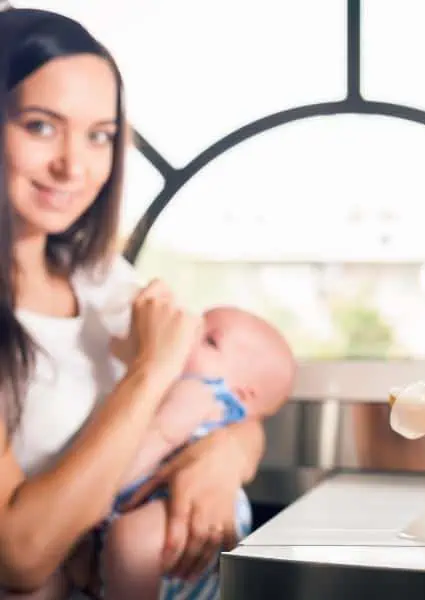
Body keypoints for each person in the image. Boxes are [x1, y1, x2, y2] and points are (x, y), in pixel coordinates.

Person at [0, 7, 295, 599]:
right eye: (39, 126)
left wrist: (220, 457)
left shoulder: (103, 280)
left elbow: (232, 402)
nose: (73, 166)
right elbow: (21, 557)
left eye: (98, 135)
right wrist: (150, 371)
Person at [95, 305, 293, 600]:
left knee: (133, 543)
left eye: (210, 340)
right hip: (168, 506)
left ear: (239, 394)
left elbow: (122, 471)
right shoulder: (185, 386)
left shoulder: (198, 394)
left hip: (185, 505)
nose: (187, 335)